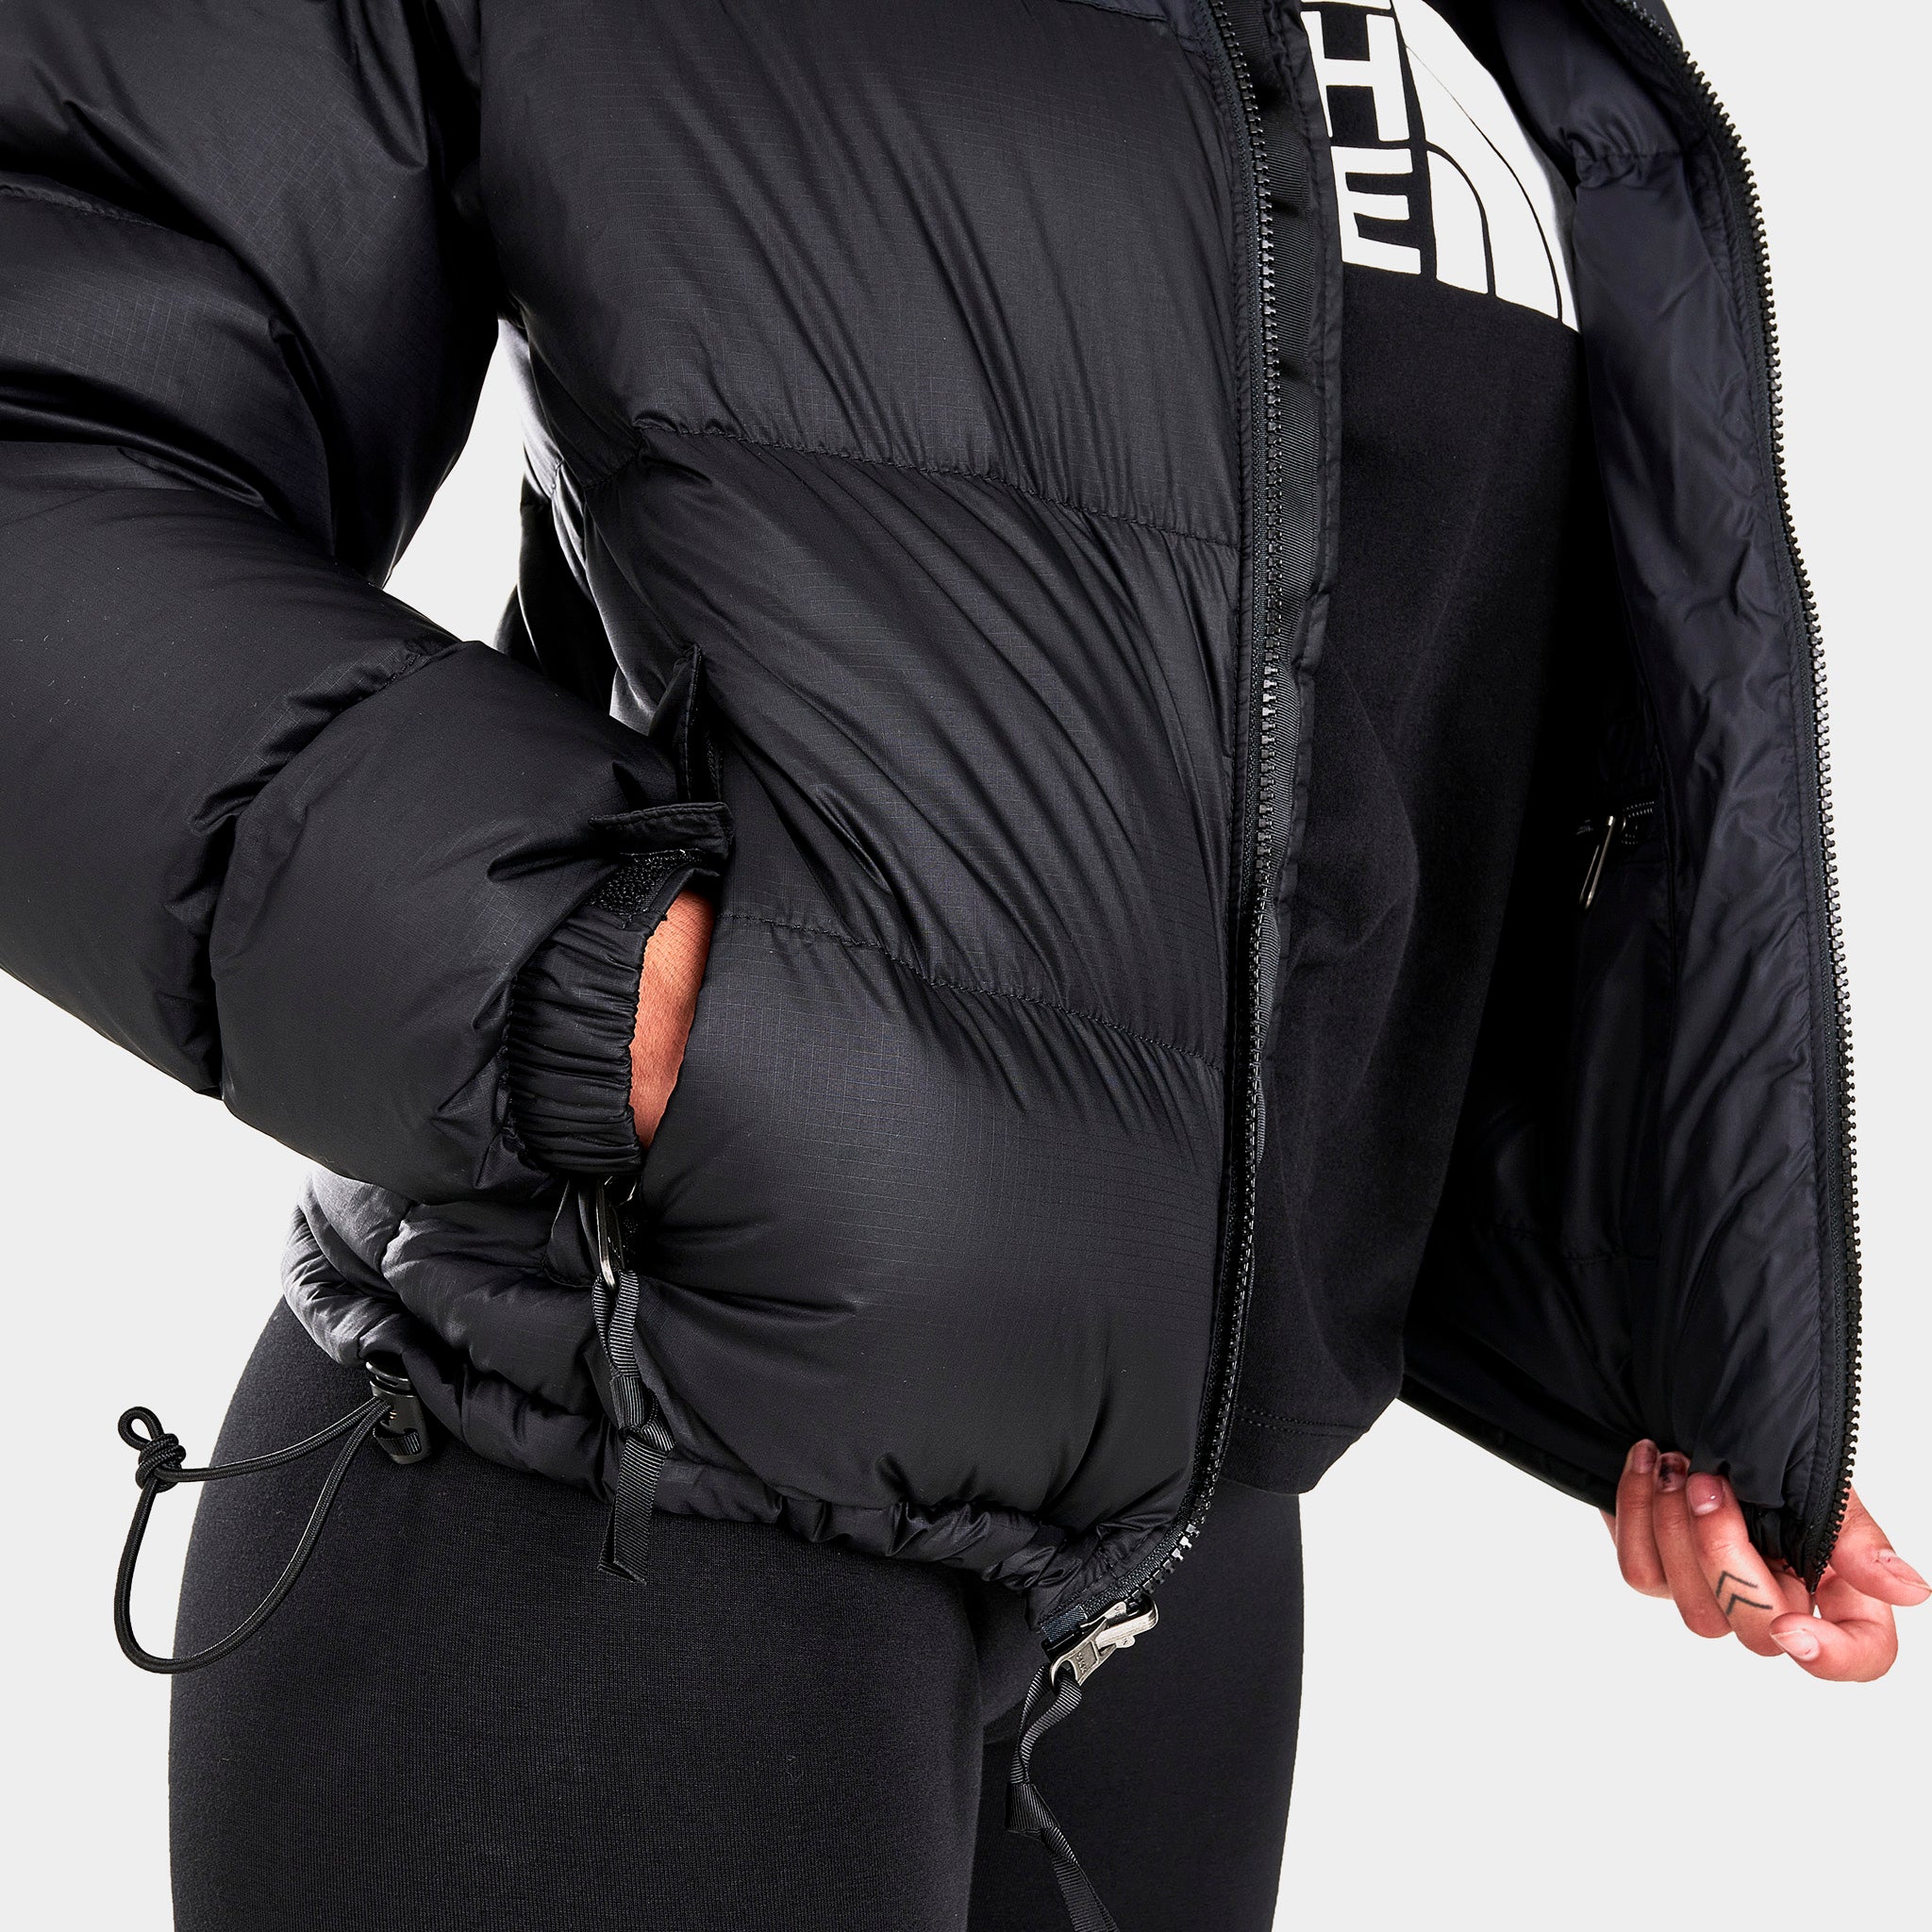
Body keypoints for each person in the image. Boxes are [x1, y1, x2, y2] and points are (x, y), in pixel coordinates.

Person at [0, 2, 1921, 1928]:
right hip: (617, 1472)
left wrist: (1667, 1314)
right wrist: (608, 997)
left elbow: (1373, 728)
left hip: (1183, 1550)